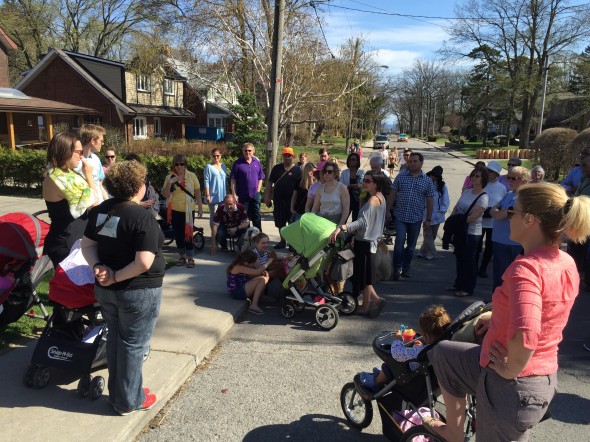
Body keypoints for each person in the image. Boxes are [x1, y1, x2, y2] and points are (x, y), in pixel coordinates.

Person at [426, 182, 590, 442]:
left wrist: (510, 368)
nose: (507, 215)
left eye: (512, 210)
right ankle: (454, 433)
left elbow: (527, 334)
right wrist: (496, 318)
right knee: (443, 354)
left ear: (529, 220)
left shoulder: (526, 270)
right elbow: (549, 310)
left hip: (512, 386)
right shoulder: (566, 261)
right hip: (540, 377)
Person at [81, 160, 165, 415]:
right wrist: (116, 276)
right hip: (137, 291)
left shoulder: (100, 211)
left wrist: (99, 268)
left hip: (107, 290)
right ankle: (129, 401)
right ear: (139, 186)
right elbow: (144, 261)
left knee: (118, 340)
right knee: (133, 345)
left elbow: (87, 245)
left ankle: (119, 395)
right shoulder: (142, 216)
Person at [329, 170, 387, 317]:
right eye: (364, 180)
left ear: (377, 184)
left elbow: (362, 222)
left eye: (368, 181)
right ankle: (368, 304)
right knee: (365, 276)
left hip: (366, 242)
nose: (364, 183)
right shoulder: (380, 197)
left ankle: (374, 300)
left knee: (365, 276)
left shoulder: (374, 200)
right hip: (369, 241)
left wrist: (344, 227)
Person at [358, 305, 452, 390]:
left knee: (391, 363)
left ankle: (376, 381)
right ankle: (381, 374)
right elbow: (418, 352)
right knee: (393, 364)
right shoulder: (440, 347)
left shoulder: (422, 351)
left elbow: (397, 353)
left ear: (426, 335)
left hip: (411, 375)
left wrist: (398, 340)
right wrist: (418, 345)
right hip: (425, 373)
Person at [43, 132, 98, 266]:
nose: (82, 156)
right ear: (66, 151)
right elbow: (94, 203)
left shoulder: (69, 174)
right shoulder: (57, 178)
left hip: (75, 238)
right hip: (66, 243)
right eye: (79, 152)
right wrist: (88, 175)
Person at [387, 152, 435, 281]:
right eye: (411, 161)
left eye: (415, 161)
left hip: (416, 218)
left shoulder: (427, 180)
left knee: (411, 246)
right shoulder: (401, 177)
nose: (412, 163)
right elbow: (392, 194)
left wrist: (428, 219)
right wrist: (387, 210)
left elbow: (430, 200)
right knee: (399, 243)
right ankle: (396, 268)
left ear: (421, 163)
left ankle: (406, 267)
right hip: (400, 216)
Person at [446, 168, 489, 297]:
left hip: (472, 233)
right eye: (472, 176)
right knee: (459, 258)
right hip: (460, 231)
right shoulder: (467, 192)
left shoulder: (483, 197)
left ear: (483, 179)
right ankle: (458, 283)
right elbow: (456, 208)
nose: (474, 178)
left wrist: (458, 220)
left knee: (469, 261)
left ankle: (467, 287)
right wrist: (453, 220)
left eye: (477, 176)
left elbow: (473, 217)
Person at [489, 166, 530, 291]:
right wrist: (498, 211)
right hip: (500, 240)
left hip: (511, 244)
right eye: (508, 178)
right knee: (498, 275)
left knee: (506, 278)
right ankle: (496, 302)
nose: (509, 181)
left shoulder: (523, 198)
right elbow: (493, 210)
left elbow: (499, 215)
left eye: (514, 178)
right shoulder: (509, 194)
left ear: (524, 180)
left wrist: (498, 212)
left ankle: (502, 305)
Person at [162, 154, 203, 268]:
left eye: (182, 164)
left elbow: (198, 192)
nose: (179, 167)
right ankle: (181, 256)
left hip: (188, 210)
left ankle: (190, 257)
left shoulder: (192, 176)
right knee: (178, 234)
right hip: (175, 210)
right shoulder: (169, 176)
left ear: (186, 165)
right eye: (177, 164)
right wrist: (170, 183)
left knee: (188, 234)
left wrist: (200, 207)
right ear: (174, 165)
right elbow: (165, 195)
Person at [264, 147, 301, 249]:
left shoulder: (298, 170)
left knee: (292, 223)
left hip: (292, 201)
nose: (287, 157)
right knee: (280, 222)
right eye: (285, 155)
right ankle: (282, 241)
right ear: (282, 156)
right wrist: (267, 197)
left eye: (289, 155)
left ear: (292, 156)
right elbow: (269, 182)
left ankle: (292, 243)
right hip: (278, 200)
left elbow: (302, 185)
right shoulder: (276, 168)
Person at [476, 161, 507, 278]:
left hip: (493, 222)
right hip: (479, 219)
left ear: (496, 174)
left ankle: (483, 268)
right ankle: (473, 266)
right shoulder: (482, 184)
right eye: (487, 171)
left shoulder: (502, 188)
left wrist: (493, 211)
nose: (488, 173)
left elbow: (502, 204)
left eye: (491, 172)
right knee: (477, 245)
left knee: (489, 247)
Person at [231, 142, 264, 231]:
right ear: (243, 151)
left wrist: (258, 190)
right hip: (242, 195)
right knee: (244, 219)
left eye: (249, 150)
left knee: (257, 217)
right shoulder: (237, 164)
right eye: (245, 151)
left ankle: (258, 238)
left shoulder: (256, 162)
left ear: (253, 151)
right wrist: (234, 194)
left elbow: (261, 177)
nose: (248, 152)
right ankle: (246, 239)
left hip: (255, 195)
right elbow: (233, 180)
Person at [419, 166, 450, 260]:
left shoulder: (442, 186)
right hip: (426, 213)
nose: (434, 177)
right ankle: (432, 253)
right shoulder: (424, 182)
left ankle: (423, 251)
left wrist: (443, 210)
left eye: (436, 176)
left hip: (437, 214)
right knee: (427, 234)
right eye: (433, 175)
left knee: (432, 235)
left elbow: (446, 199)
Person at [227, 249, 269, 315]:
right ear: (246, 263)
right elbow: (257, 271)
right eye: (253, 263)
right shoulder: (238, 267)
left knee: (263, 277)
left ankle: (260, 296)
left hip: (241, 287)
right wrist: (268, 262)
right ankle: (253, 305)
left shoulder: (242, 264)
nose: (253, 265)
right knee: (262, 279)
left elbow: (257, 271)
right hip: (236, 292)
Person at [311, 161, 350, 225]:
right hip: (321, 220)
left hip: (336, 220)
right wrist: (311, 220)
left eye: (329, 172)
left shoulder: (342, 188)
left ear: (335, 174)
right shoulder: (320, 188)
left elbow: (346, 210)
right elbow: (315, 207)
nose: (326, 174)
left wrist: (340, 226)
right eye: (325, 172)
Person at [78, 124, 108, 202]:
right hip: (84, 208)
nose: (103, 143)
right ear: (92, 141)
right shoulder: (75, 161)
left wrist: (108, 203)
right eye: (101, 141)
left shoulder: (96, 159)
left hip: (98, 205)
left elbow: (100, 185)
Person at [204, 147, 228, 231]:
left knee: (222, 214)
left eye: (217, 156)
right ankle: (214, 234)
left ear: (220, 155)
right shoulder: (209, 167)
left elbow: (226, 180)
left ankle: (220, 233)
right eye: (214, 156)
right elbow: (206, 181)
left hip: (223, 195)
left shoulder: (223, 166)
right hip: (213, 194)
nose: (216, 158)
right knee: (214, 215)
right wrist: (207, 195)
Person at [340, 153, 365, 221]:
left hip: (358, 200)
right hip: (346, 199)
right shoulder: (344, 173)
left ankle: (353, 231)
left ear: (357, 161)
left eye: (353, 160)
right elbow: (341, 185)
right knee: (343, 219)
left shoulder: (362, 173)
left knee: (356, 220)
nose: (351, 161)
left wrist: (359, 186)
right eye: (349, 160)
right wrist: (349, 186)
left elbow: (364, 185)